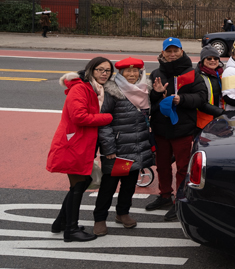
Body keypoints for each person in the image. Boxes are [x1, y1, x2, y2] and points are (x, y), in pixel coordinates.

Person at [47, 57, 114, 242]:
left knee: (82, 183)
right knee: (78, 185)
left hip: (82, 144)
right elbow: (79, 117)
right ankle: (71, 230)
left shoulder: (95, 89)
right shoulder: (80, 89)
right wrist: (108, 117)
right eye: (100, 69)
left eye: (108, 70)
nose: (104, 73)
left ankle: (61, 222)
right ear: (91, 70)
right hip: (73, 144)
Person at [147, 37, 207, 221]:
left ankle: (179, 201)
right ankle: (165, 195)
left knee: (182, 167)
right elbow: (150, 100)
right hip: (161, 128)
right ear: (163, 52)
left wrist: (181, 99)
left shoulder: (191, 72)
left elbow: (201, 97)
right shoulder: (157, 72)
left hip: (183, 128)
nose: (172, 54)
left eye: (175, 51)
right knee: (162, 165)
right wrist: (156, 93)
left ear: (181, 51)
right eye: (169, 51)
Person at [93, 57, 154, 237]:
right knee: (109, 185)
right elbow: (104, 122)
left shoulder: (145, 90)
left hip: (137, 146)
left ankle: (122, 213)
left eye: (135, 70)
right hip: (118, 150)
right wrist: (109, 149)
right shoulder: (113, 92)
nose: (132, 74)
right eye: (128, 71)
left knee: (129, 185)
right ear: (120, 73)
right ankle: (100, 218)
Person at [196, 46, 225, 129]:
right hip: (204, 122)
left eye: (215, 58)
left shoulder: (221, 74)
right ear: (202, 60)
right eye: (209, 58)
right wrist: (221, 112)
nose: (213, 60)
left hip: (221, 119)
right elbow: (201, 103)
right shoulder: (198, 76)